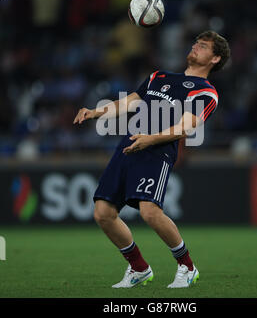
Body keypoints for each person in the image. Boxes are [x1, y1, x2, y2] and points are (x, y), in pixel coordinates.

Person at [73, 30, 230, 288]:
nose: (195, 47)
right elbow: (129, 103)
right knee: (102, 213)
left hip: (157, 150)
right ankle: (139, 268)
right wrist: (95, 112)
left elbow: (186, 127)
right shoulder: (159, 76)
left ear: (215, 59)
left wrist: (151, 138)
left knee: (149, 211)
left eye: (202, 46)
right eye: (196, 43)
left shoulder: (206, 92)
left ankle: (187, 267)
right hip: (129, 145)